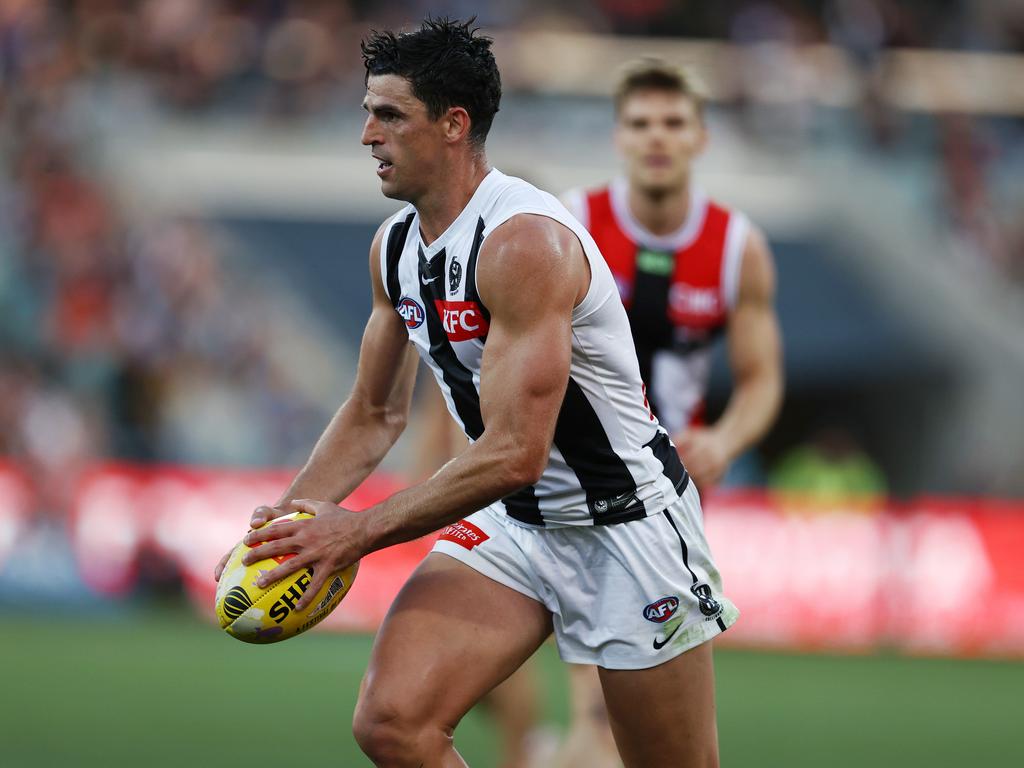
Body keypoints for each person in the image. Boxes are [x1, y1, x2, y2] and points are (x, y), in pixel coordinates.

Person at [215, 20, 738, 768]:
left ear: (454, 125)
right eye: (369, 110)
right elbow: (373, 414)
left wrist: (353, 533)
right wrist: (287, 525)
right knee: (393, 723)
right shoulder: (394, 248)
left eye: (389, 114)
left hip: (626, 529)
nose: (367, 134)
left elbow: (515, 454)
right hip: (519, 528)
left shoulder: (524, 244)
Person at [554, 59, 784, 765]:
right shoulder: (570, 223)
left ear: (701, 138)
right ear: (619, 137)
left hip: (672, 499)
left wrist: (725, 438)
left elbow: (761, 379)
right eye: (641, 123)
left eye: (674, 122)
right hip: (575, 483)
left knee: (651, 733)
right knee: (597, 714)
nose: (658, 137)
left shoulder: (736, 247)